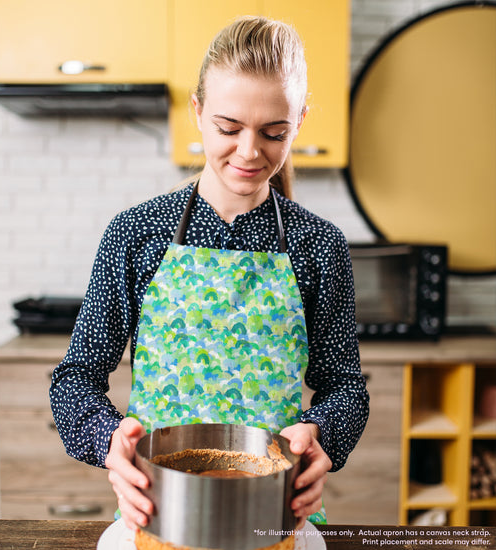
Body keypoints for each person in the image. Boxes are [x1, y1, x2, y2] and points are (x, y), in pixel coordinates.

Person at [50, 15, 369, 533]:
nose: (249, 152)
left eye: (274, 132)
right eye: (228, 128)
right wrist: (110, 441)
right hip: (160, 514)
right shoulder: (137, 232)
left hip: (274, 516)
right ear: (197, 113)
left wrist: (324, 437)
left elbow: (345, 387)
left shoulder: (319, 246)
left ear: (300, 121)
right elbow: (74, 382)